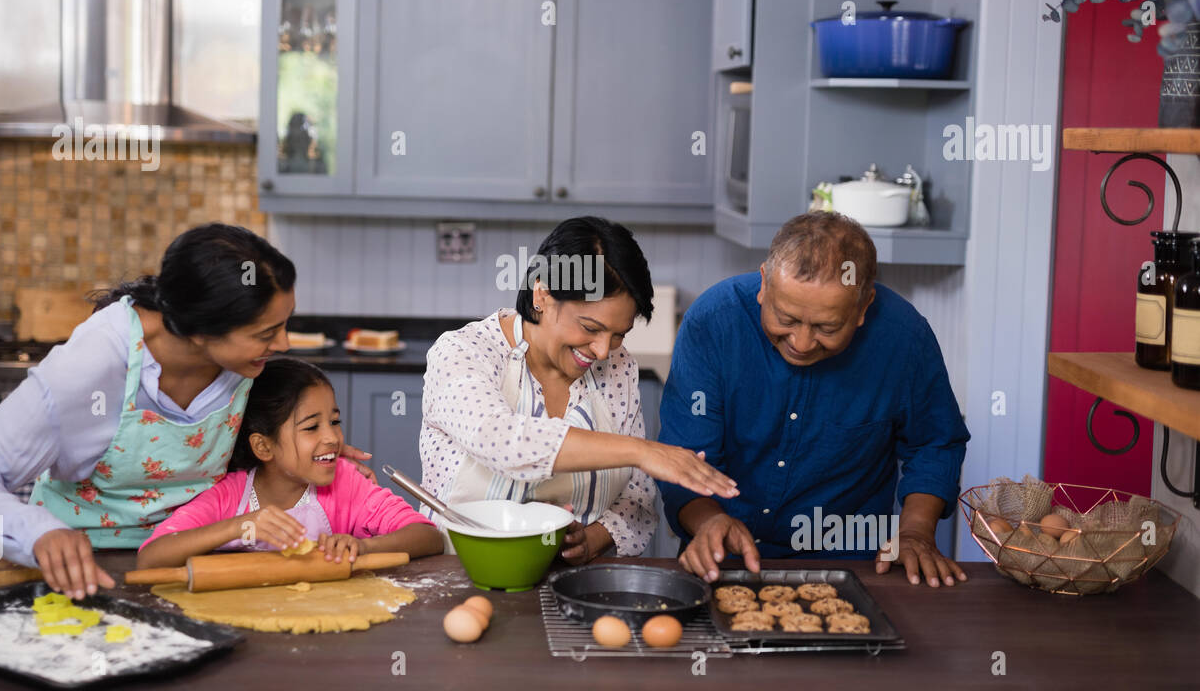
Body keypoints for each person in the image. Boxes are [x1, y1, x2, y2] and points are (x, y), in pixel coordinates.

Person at [0, 224, 375, 600]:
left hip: (200, 565)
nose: (283, 345)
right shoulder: (91, 366)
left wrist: (309, 450)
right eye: (266, 332)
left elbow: (233, 446)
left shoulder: (239, 361)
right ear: (200, 330)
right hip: (88, 571)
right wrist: (39, 533)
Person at [657, 212, 970, 587]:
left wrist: (916, 531)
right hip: (722, 554)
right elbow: (686, 454)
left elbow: (935, 443)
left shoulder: (905, 340)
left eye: (827, 327)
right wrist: (708, 521)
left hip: (855, 564)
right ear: (763, 285)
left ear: (863, 305)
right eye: (786, 319)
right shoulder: (713, 324)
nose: (802, 344)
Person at [420, 216, 737, 563]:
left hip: (573, 588)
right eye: (590, 327)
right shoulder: (463, 352)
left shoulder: (617, 367)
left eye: (619, 334)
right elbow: (499, 440)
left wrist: (592, 540)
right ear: (542, 294)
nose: (602, 351)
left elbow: (636, 495)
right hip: (456, 580)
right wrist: (642, 451)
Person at [137, 358, 441, 568]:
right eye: (311, 427)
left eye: (334, 422)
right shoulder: (228, 496)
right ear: (263, 446)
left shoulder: (346, 485)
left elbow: (427, 537)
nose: (333, 438)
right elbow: (152, 557)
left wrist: (364, 547)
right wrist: (239, 526)